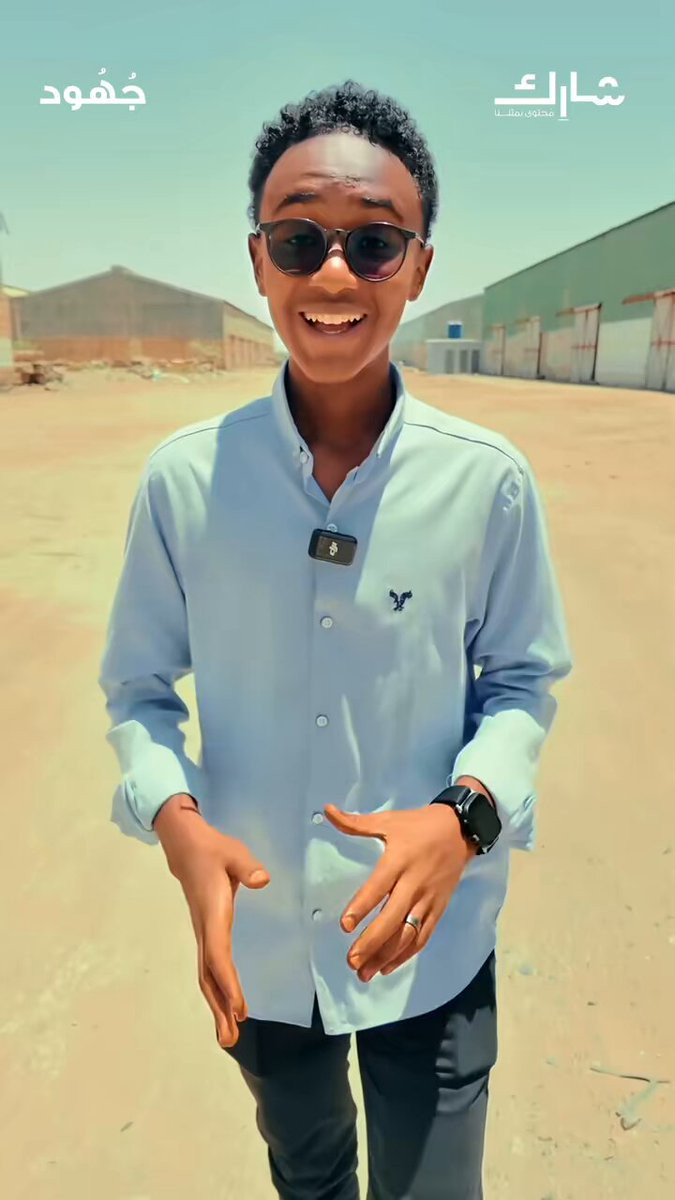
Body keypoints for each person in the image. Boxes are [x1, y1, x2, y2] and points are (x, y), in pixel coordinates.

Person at [98, 80, 573, 1200]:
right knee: (308, 1175)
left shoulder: (486, 484)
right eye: (299, 239)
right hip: (262, 943)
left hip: (433, 941)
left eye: (373, 243)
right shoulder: (185, 483)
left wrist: (464, 819)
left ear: (419, 265)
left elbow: (521, 682)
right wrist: (177, 825)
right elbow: (138, 689)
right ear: (258, 261)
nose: (333, 275)